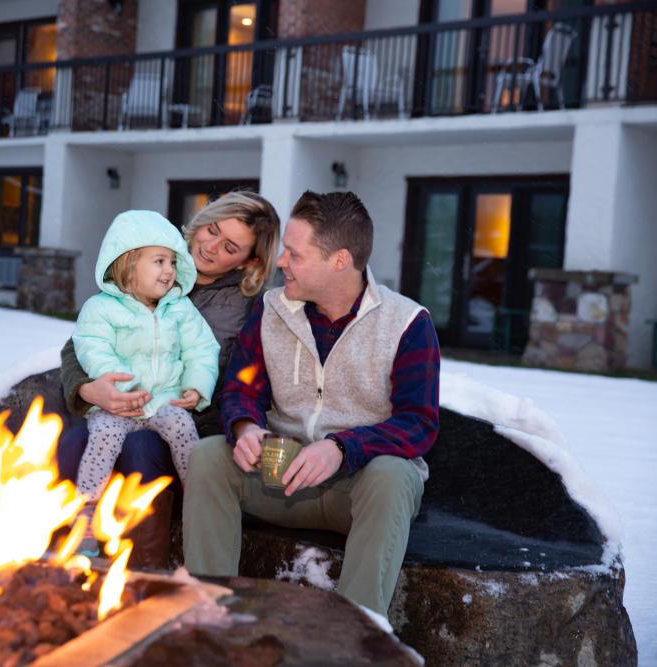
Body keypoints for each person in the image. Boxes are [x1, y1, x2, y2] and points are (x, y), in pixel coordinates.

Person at [182, 190, 440, 620]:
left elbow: (419, 424)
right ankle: (208, 616)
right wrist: (245, 427)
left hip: (360, 485)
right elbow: (242, 387)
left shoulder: (408, 323)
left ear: (339, 260)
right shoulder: (270, 311)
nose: (281, 262)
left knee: (395, 475)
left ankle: (357, 632)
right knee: (209, 455)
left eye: (294, 254)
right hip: (278, 474)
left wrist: (344, 447)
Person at [57, 191, 281, 566]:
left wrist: (197, 391)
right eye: (211, 230)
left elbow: (221, 367)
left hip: (190, 422)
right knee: (74, 439)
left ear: (249, 262)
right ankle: (75, 543)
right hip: (120, 401)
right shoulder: (147, 255)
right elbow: (81, 343)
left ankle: (142, 566)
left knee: (141, 448)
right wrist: (89, 388)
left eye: (230, 247)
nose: (210, 247)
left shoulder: (249, 308)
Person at [71, 209, 220, 509]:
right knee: (103, 437)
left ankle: (197, 503)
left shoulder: (180, 308)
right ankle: (85, 509)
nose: (169, 271)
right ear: (128, 264)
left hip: (165, 401)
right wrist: (122, 386)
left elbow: (201, 349)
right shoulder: (100, 308)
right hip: (118, 406)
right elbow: (93, 346)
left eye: (173, 262)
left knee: (183, 428)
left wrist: (196, 386)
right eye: (159, 262)